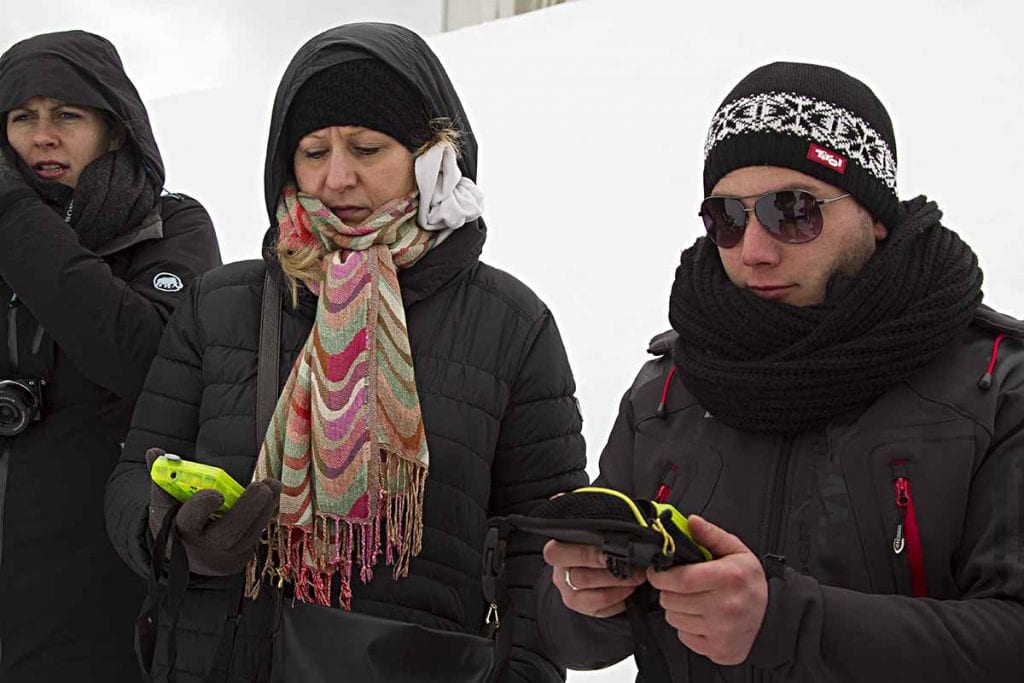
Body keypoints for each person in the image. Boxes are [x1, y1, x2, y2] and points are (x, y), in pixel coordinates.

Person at [105, 22, 587, 682]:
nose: (337, 177)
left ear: (431, 156)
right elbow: (135, 472)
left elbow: (543, 549)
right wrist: (169, 530)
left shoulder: (511, 324)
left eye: (367, 147)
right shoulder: (218, 305)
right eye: (312, 150)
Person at [538, 62, 1024, 681]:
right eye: (728, 219)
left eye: (793, 211)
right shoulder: (670, 388)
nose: (755, 250)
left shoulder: (995, 386)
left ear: (875, 214)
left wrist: (790, 624)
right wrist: (585, 601)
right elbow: (570, 642)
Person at [0, 30, 221, 681]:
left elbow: (145, 357)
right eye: (21, 117)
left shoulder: (169, 227)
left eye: (67, 114)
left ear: (116, 129)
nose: (43, 135)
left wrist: (12, 214)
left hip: (107, 624)